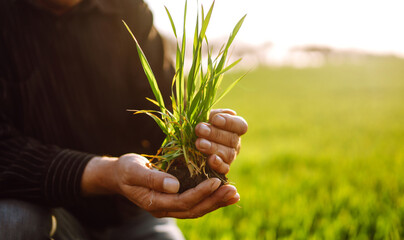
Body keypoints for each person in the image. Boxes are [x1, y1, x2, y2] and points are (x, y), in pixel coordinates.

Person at [0, 0, 248, 239]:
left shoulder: (126, 7)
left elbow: (165, 113)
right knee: (12, 221)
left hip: (132, 214)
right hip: (48, 212)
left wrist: (200, 138)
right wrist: (108, 173)